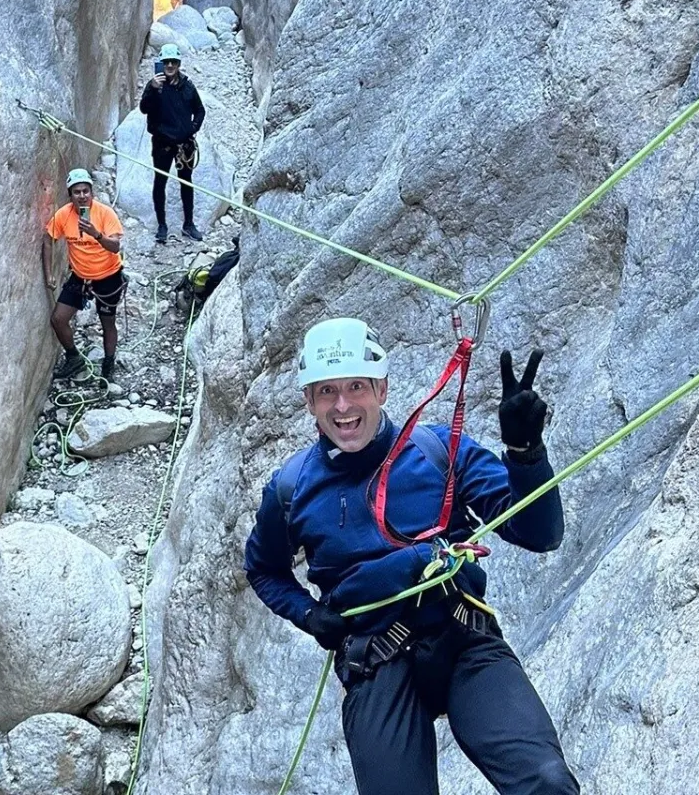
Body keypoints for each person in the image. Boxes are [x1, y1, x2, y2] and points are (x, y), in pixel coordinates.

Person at [244, 318, 579, 795]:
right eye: (326, 391)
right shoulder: (292, 488)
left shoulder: (440, 451)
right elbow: (263, 569)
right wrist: (308, 614)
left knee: (546, 782)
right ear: (308, 401)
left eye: (356, 386)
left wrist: (526, 455)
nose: (343, 406)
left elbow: (540, 534)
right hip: (376, 660)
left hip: (463, 639)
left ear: (381, 389)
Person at [43, 169, 124, 381]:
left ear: (91, 192)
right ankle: (74, 357)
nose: (82, 196)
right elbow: (48, 240)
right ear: (70, 195)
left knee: (107, 322)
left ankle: (108, 363)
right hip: (81, 277)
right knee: (58, 319)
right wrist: (49, 273)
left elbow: (115, 246)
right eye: (76, 192)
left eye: (85, 191)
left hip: (108, 277)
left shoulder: (105, 214)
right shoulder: (63, 215)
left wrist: (96, 234)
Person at [139, 42, 205, 244]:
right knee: (160, 182)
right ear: (162, 63)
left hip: (184, 144)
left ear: (178, 64)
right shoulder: (155, 86)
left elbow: (200, 110)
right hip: (162, 144)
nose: (169, 65)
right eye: (166, 62)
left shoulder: (187, 86)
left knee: (186, 182)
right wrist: (152, 89)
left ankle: (189, 224)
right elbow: (144, 108)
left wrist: (192, 129)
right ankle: (162, 225)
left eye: (173, 62)